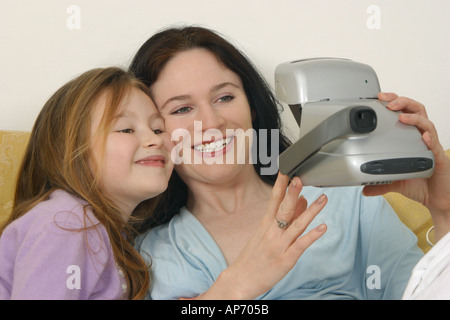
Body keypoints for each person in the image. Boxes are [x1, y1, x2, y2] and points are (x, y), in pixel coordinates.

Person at [130, 26, 430, 300]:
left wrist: (443, 210)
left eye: (224, 97)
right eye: (182, 108)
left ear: (252, 107)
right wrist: (234, 288)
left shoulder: (349, 200)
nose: (212, 122)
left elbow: (425, 291)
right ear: (155, 131)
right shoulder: (148, 257)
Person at [0, 67, 175, 299]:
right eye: (126, 129)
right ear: (72, 152)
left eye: (158, 128)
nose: (154, 139)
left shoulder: (103, 232)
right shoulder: (67, 224)